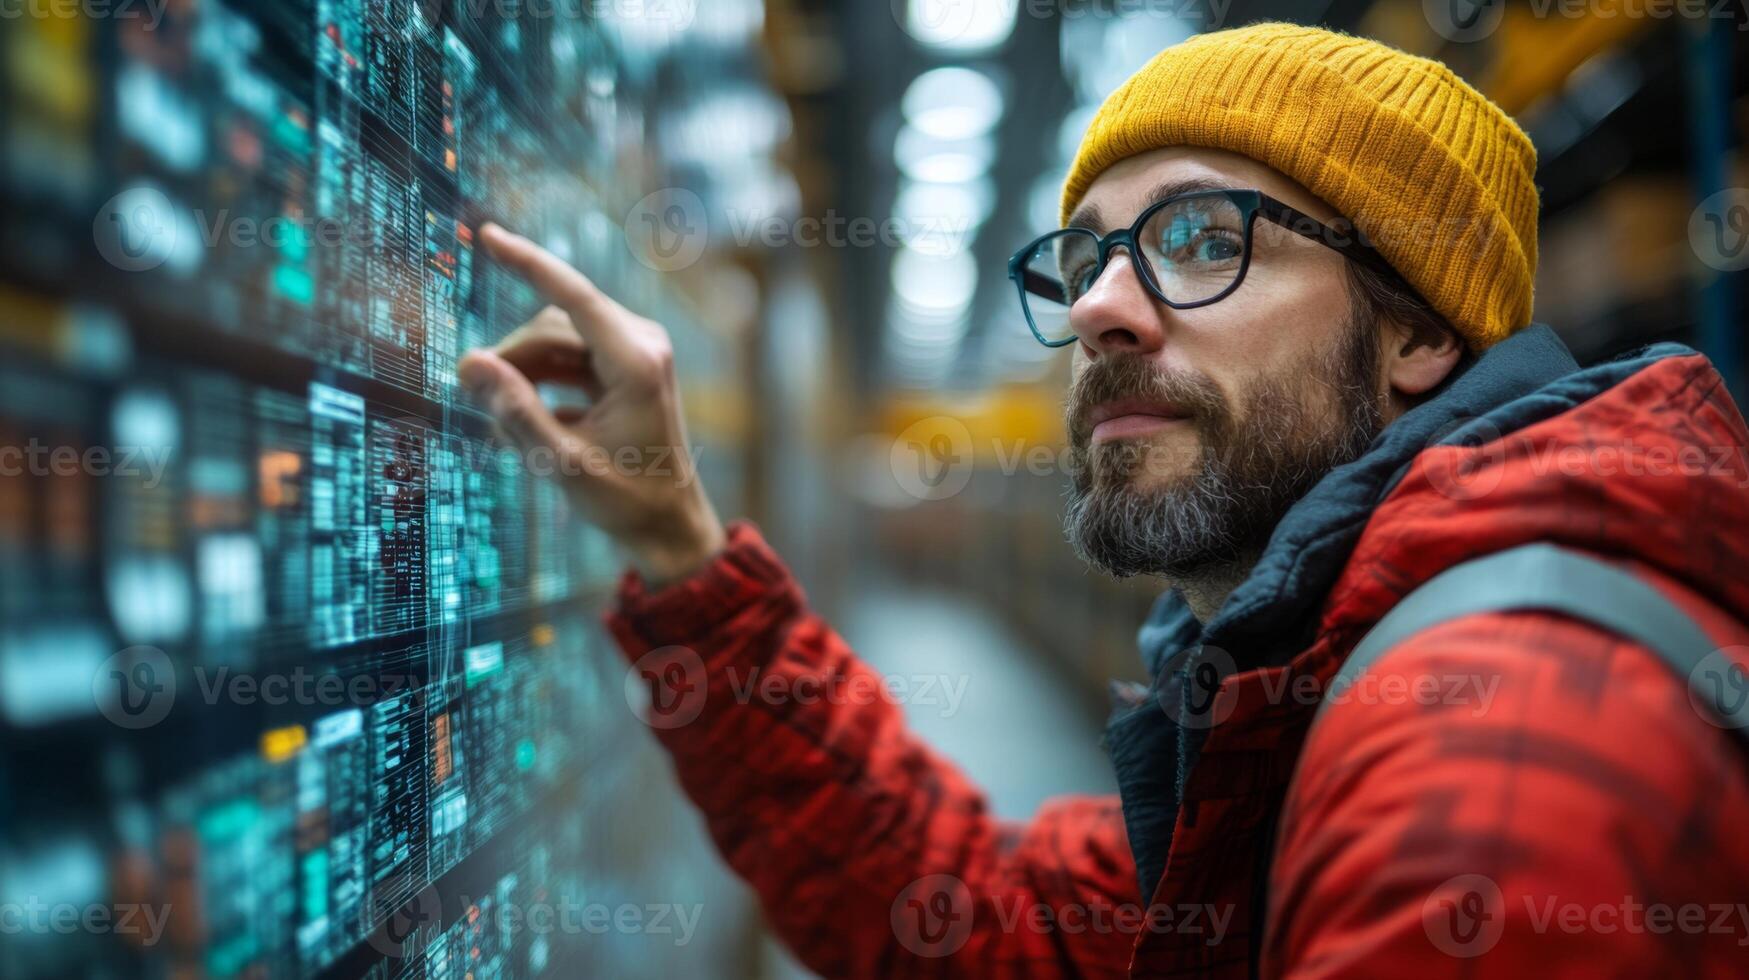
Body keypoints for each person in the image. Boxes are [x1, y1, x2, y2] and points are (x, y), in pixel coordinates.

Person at [457, 22, 1749, 980]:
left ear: (1415, 330)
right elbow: (975, 918)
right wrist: (678, 542)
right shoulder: (1305, 685)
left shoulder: (1490, 766)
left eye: (1204, 240)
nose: (1096, 310)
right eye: (1088, 257)